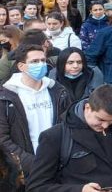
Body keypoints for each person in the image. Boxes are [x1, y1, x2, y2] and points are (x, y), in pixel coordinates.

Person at [27, 84, 112, 191]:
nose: (105, 125)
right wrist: (79, 190)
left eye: (111, 121)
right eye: (100, 119)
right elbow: (36, 186)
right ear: (87, 107)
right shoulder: (54, 137)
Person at [0, 44, 71, 189]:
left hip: (59, 165)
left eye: (43, 60)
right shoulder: (5, 97)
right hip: (25, 170)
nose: (41, 64)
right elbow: (3, 138)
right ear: (21, 66)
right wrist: (33, 163)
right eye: (34, 62)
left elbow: (69, 125)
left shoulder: (58, 91)